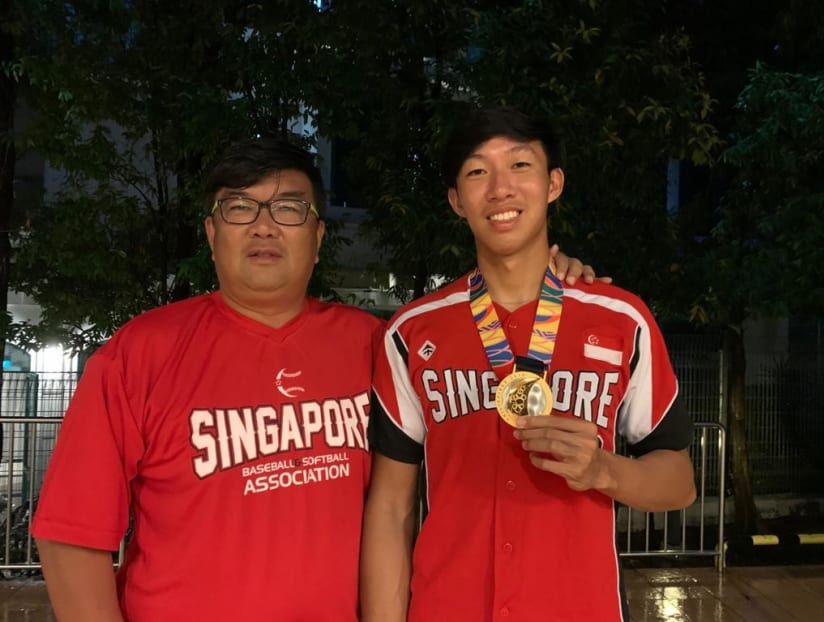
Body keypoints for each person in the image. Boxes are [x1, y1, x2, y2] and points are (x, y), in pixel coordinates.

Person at [31, 137, 596, 621]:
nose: (264, 226)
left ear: (319, 235)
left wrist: (547, 273)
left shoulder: (374, 343)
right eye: (239, 208)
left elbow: (478, 334)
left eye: (288, 208)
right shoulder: (140, 354)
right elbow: (71, 534)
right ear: (210, 232)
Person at [361, 107, 697, 622]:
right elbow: (390, 509)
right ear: (456, 200)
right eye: (477, 172)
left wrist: (604, 469)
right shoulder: (410, 334)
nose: (500, 189)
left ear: (553, 183)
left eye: (520, 166)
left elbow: (678, 482)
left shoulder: (621, 320)